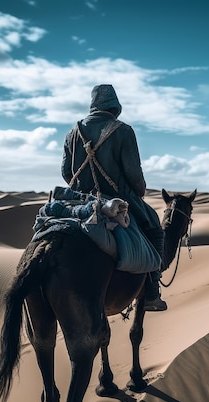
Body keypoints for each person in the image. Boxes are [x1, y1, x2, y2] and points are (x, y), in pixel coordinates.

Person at [61, 84, 167, 311]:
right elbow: (134, 174)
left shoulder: (73, 132)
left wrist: (83, 186)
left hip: (80, 200)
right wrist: (138, 190)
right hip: (118, 197)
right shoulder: (122, 131)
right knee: (155, 228)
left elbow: (65, 172)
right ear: (115, 107)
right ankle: (151, 294)